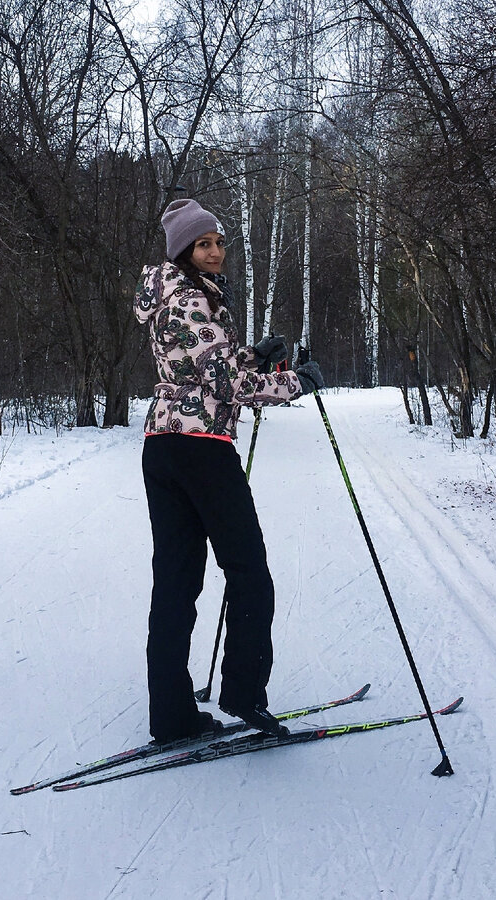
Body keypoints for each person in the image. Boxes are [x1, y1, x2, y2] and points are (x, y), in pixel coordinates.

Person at [133, 198, 326, 744]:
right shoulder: (192, 300)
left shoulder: (172, 296)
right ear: (184, 252)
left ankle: (170, 714)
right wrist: (295, 383)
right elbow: (227, 384)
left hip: (163, 445)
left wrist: (255, 356)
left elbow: (208, 364)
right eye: (204, 244)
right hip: (201, 449)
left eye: (218, 241)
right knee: (249, 572)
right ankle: (244, 694)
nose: (216, 252)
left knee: (176, 581)